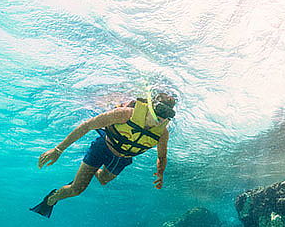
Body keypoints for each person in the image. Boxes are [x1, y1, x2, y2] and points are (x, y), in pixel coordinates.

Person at [30, 90, 176, 218]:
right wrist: (58, 150)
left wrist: (160, 173)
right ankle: (52, 198)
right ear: (150, 107)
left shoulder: (162, 133)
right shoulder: (125, 114)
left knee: (103, 180)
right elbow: (88, 125)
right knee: (77, 189)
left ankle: (90, 170)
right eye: (159, 112)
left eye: (167, 117)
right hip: (103, 148)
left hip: (122, 159)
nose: (161, 121)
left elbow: (161, 156)